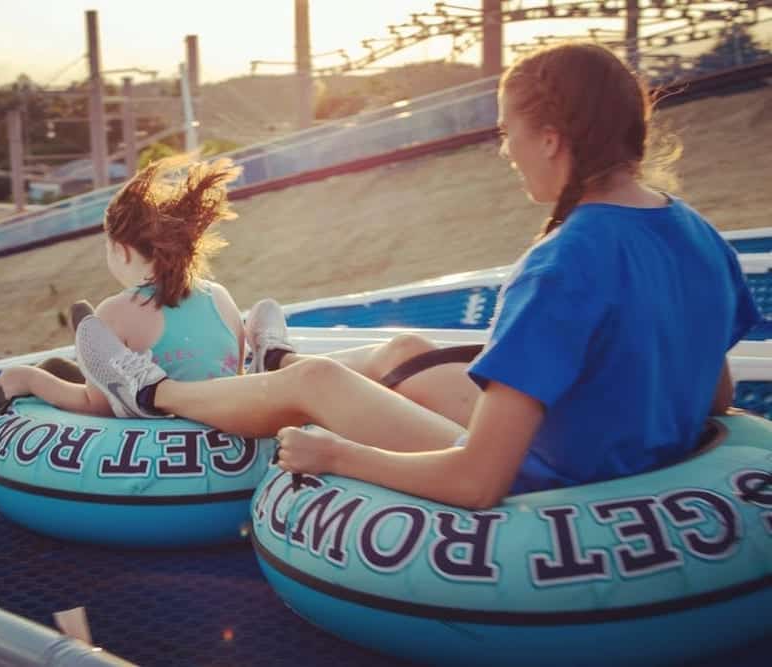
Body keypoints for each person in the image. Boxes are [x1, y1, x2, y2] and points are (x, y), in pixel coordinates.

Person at [76, 42, 760, 510]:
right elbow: (715, 393)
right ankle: (269, 355)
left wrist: (339, 454)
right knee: (403, 352)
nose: (506, 151)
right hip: (590, 442)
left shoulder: (564, 261)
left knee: (316, 383)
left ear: (550, 139)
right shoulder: (696, 231)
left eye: (505, 133)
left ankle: (156, 391)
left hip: (553, 480)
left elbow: (479, 479)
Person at [0, 157, 247, 428]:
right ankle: (95, 343)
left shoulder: (118, 309)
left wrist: (28, 380)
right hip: (217, 426)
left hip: (154, 434)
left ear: (120, 250)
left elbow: (100, 407)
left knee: (29, 375)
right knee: (55, 366)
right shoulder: (220, 297)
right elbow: (234, 374)